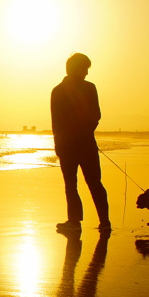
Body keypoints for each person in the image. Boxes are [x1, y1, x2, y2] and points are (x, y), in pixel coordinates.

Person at [50, 53, 110, 233]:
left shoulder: (86, 88)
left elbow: (95, 115)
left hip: (79, 145)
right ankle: (79, 222)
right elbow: (57, 122)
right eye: (84, 69)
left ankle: (100, 222)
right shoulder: (59, 91)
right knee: (76, 184)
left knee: (90, 183)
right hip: (73, 146)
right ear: (74, 68)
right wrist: (60, 144)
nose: (86, 73)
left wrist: (67, 139)